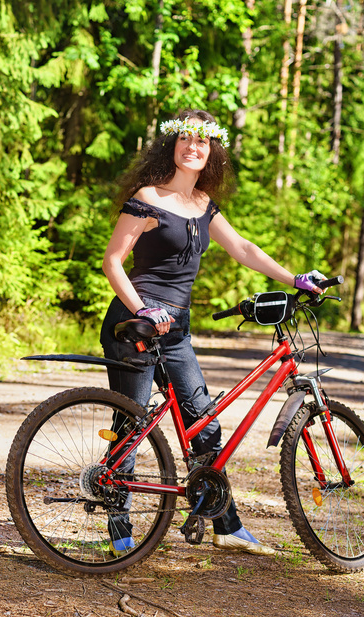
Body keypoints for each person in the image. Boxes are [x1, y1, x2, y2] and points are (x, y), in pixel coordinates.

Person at [100, 109, 326, 556]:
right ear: (173, 145)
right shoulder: (148, 197)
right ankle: (120, 531)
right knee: (131, 422)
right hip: (137, 322)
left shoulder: (203, 204)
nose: (193, 147)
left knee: (203, 425)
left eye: (202, 142)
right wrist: (144, 308)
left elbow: (243, 248)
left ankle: (225, 523)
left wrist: (294, 278)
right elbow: (112, 261)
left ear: (211, 152)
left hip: (177, 327)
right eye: (185, 139)